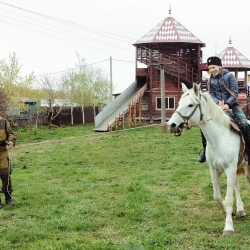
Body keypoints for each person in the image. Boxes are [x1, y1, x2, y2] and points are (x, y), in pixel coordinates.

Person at [198, 56, 250, 163]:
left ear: (220, 66)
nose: (212, 70)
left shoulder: (230, 76)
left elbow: (235, 93)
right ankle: (205, 150)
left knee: (245, 124)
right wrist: (218, 103)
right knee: (203, 124)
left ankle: (248, 150)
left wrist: (227, 104)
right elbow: (211, 94)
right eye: (210, 68)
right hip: (217, 108)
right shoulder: (210, 79)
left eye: (213, 67)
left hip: (232, 106)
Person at [0, 116, 17, 208]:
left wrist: (11, 141)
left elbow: (11, 134)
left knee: (5, 173)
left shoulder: (3, 121)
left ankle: (8, 198)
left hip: (2, 150)